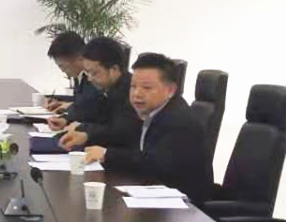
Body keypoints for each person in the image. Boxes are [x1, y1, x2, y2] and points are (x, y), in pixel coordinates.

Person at [84, 52, 213, 205]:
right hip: (157, 195)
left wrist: (107, 154)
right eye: (133, 86)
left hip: (185, 208)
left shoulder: (178, 120)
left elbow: (154, 163)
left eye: (147, 87)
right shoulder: (153, 112)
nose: (137, 93)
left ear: (170, 90)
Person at [56, 37, 134, 149]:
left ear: (114, 69)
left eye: (94, 73)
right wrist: (69, 121)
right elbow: (95, 117)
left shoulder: (131, 92)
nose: (90, 79)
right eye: (88, 73)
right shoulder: (109, 88)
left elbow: (119, 132)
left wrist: (84, 131)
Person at [42, 32, 89, 114]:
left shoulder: (95, 78)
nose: (62, 71)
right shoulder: (78, 75)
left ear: (79, 57)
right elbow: (80, 100)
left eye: (62, 66)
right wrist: (59, 101)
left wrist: (68, 106)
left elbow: (91, 107)